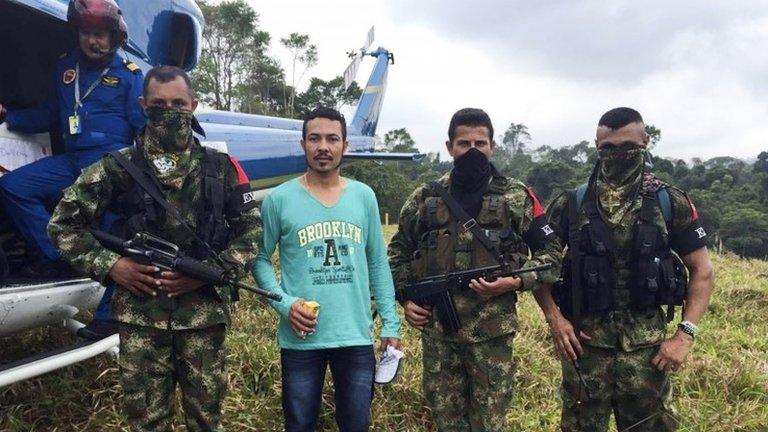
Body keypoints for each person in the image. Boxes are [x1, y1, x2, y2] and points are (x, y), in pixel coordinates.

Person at [48, 65, 261, 432]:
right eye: (159, 104)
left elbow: (252, 232)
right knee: (146, 422)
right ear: (143, 104)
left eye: (178, 103)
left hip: (203, 318)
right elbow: (62, 225)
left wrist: (212, 273)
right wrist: (112, 266)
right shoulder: (117, 168)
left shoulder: (220, 167)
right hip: (139, 318)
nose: (169, 111)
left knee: (206, 421)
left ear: (193, 105)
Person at [533, 107, 715, 432]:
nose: (619, 155)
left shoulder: (668, 202)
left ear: (646, 141)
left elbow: (702, 270)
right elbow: (540, 266)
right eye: (609, 148)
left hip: (648, 355)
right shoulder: (571, 204)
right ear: (596, 145)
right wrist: (555, 320)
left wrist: (685, 335)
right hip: (584, 352)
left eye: (628, 146)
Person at [388, 108, 562, 431]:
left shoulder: (516, 195)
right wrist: (405, 298)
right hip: (439, 334)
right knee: (446, 423)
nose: (472, 151)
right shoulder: (425, 197)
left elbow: (552, 254)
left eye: (480, 143)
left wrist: (514, 281)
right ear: (449, 146)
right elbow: (397, 252)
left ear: (492, 146)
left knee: (489, 424)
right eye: (463, 143)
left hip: (492, 336)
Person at [0, 0, 145, 337]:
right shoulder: (66, 69)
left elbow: (143, 129)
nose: (92, 41)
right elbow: (51, 114)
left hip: (112, 164)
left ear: (114, 37)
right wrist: (9, 116)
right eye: (86, 33)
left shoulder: (130, 76)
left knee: (116, 229)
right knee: (13, 188)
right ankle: (57, 256)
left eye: (100, 35)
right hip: (73, 160)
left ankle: (108, 316)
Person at [253, 106, 401, 432]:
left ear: (345, 146)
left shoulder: (364, 197)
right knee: (300, 424)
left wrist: (391, 324)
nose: (324, 146)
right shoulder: (279, 199)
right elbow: (260, 259)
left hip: (355, 336)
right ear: (303, 143)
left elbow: (377, 261)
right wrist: (284, 304)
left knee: (355, 424)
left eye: (332, 139)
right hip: (301, 338)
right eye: (315, 138)